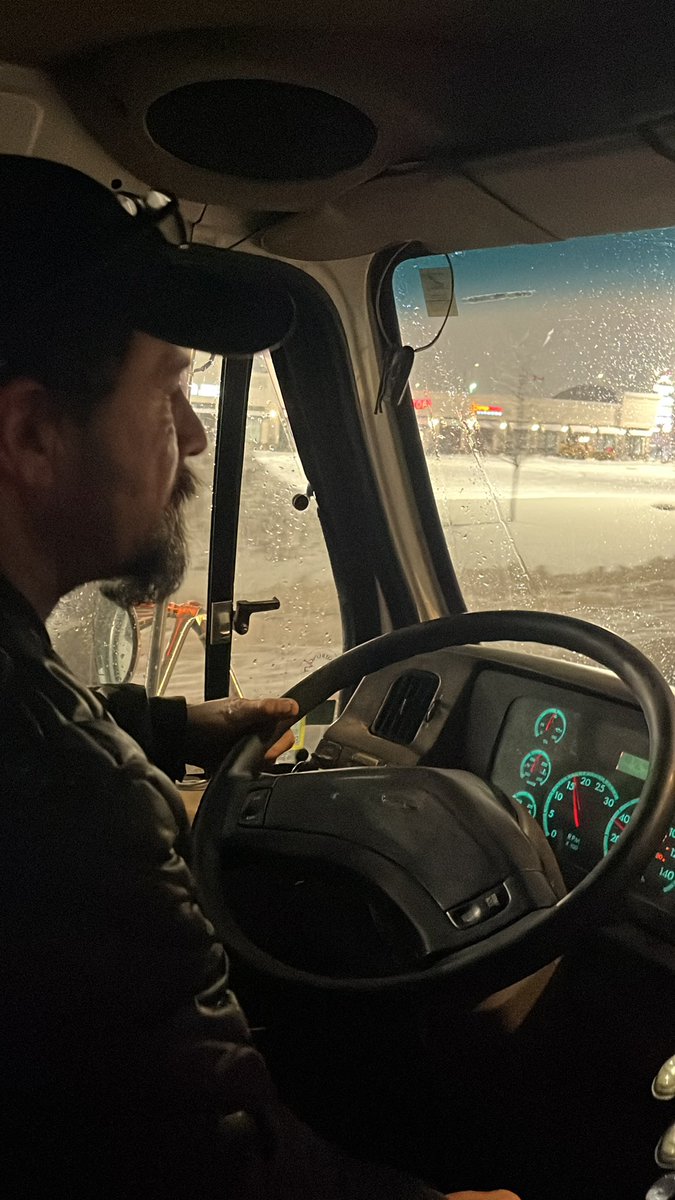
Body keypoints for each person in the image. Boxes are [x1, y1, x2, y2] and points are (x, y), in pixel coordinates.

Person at [0, 154, 521, 1200]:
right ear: (33, 435)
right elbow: (207, 1169)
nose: (194, 436)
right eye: (169, 391)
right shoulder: (67, 807)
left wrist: (169, 727)